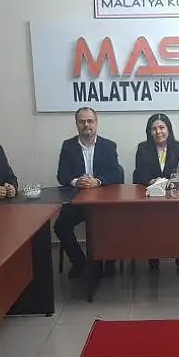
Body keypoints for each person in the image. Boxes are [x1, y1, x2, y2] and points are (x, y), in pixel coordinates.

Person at [54, 107, 123, 278]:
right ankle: (79, 261)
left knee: (114, 223)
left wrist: (97, 181)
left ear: (96, 123)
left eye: (90, 121)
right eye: (82, 121)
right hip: (78, 200)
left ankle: (109, 261)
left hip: (104, 202)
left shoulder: (108, 145)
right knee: (60, 226)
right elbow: (62, 175)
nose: (86, 125)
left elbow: (115, 174)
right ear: (76, 124)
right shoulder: (68, 146)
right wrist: (77, 181)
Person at [133, 113, 179, 270]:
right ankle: (153, 253)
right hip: (151, 197)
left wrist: (173, 182)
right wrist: (152, 181)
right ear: (149, 132)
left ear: (168, 129)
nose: (158, 132)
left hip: (174, 196)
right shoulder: (143, 148)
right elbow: (139, 174)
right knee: (152, 220)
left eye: (162, 128)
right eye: (154, 129)